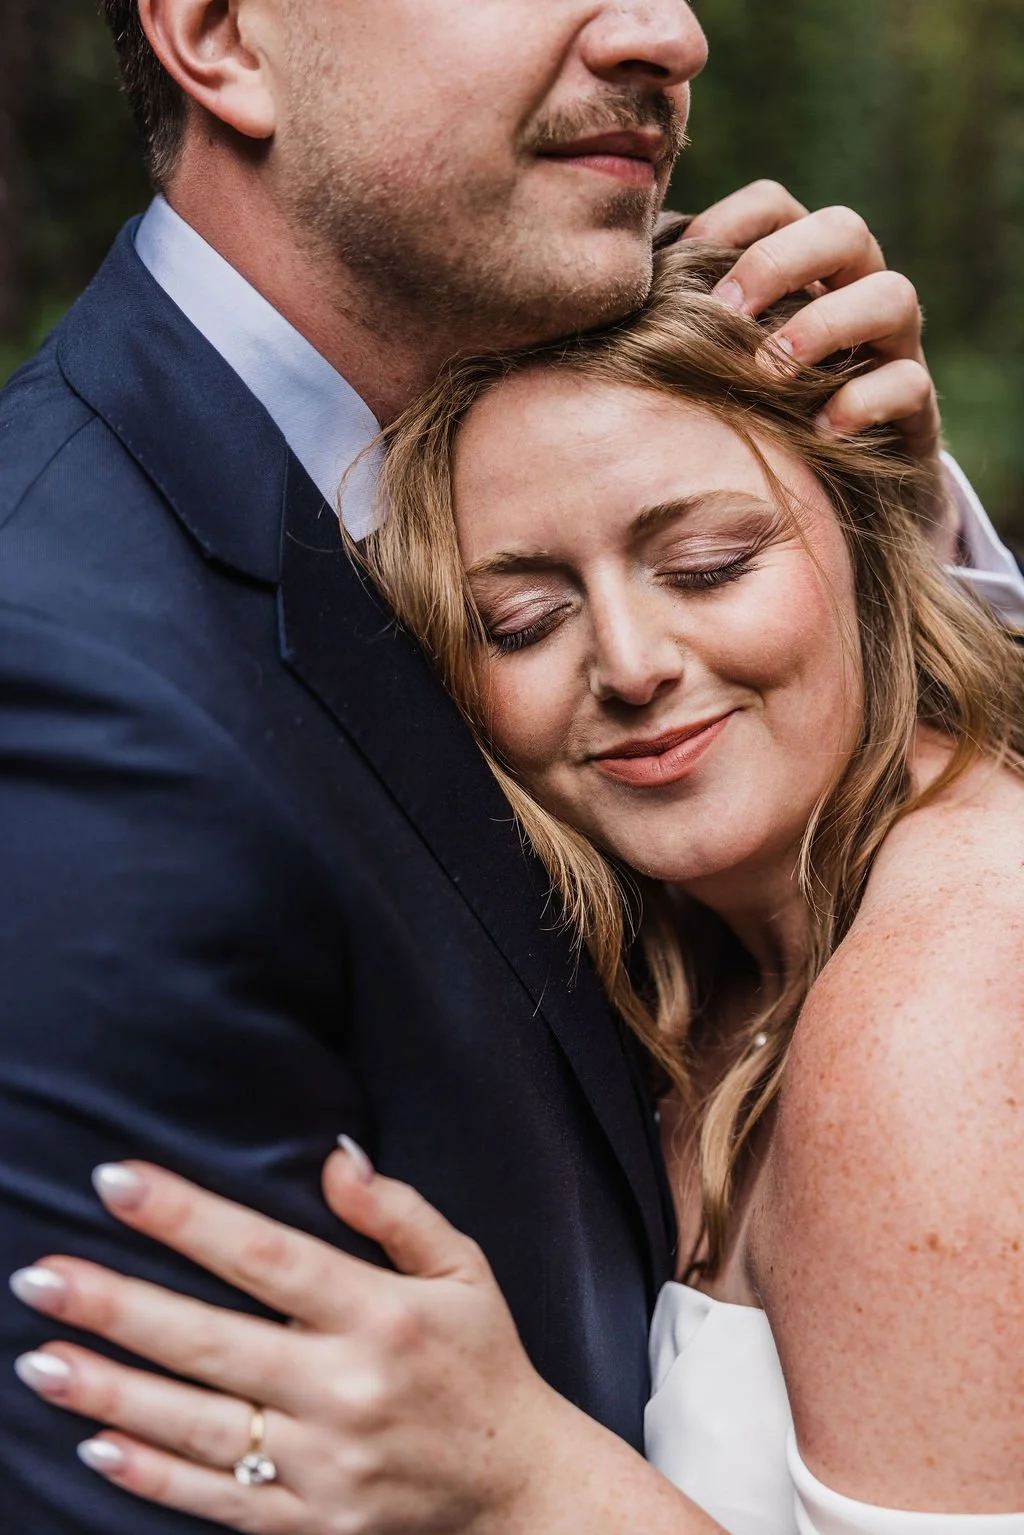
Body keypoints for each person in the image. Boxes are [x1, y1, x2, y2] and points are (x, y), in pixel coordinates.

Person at [1, 0, 1022, 1527]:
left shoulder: (932, 1004)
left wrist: (533, 1483)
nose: (670, 26)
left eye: (715, 554)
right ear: (218, 34)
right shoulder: (89, 649)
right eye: (521, 613)